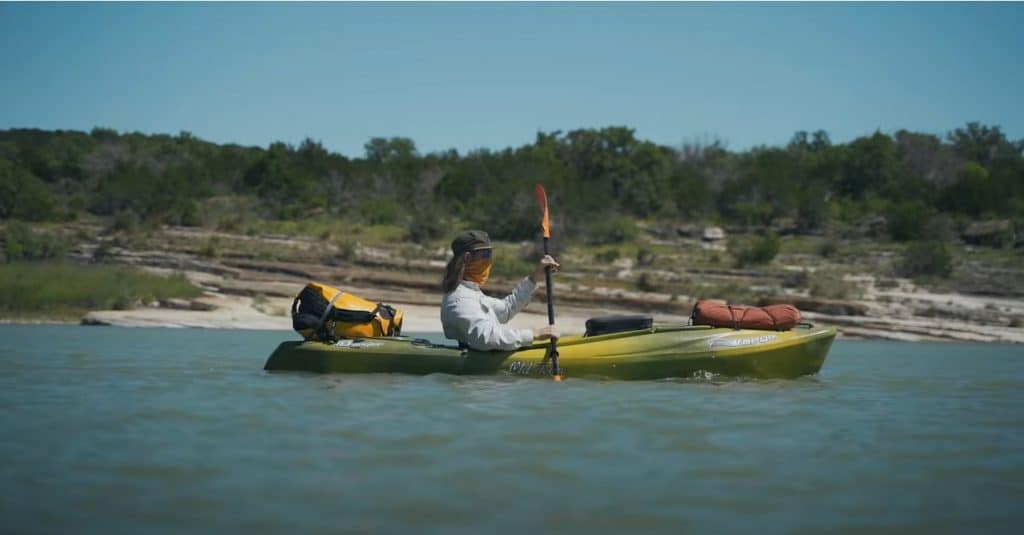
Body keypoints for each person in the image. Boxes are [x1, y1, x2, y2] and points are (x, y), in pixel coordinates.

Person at [441, 230, 560, 351]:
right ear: (467, 257)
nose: (489, 261)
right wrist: (534, 334)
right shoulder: (460, 301)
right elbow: (487, 338)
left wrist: (534, 277)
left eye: (490, 254)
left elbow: (507, 309)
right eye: (486, 255)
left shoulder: (472, 294)